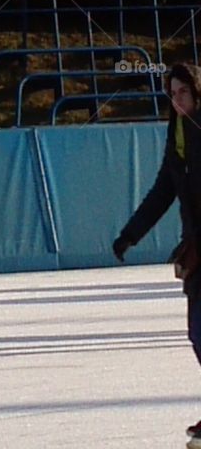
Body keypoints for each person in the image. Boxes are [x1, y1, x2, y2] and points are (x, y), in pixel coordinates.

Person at [113, 62, 201, 445]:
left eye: (183, 91)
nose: (176, 99)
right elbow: (163, 190)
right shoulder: (178, 134)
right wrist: (130, 234)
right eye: (172, 92)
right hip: (197, 249)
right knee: (197, 334)